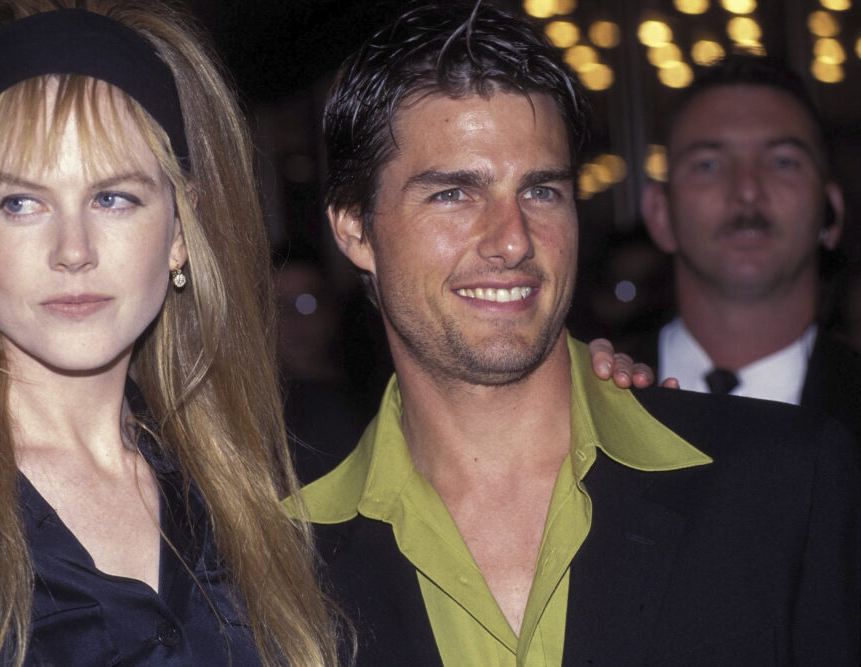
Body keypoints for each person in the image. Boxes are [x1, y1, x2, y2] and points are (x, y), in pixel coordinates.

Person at [300, 3, 861, 665]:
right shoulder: (277, 558)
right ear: (354, 230)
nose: (512, 240)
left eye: (540, 191)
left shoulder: (785, 480)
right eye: (453, 193)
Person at [0, 1, 341, 665]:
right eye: (21, 202)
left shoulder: (256, 493)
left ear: (180, 232)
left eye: (114, 198)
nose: (73, 249)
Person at [638, 55, 861, 443]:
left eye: (782, 162)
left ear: (832, 213)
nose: (747, 191)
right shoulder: (577, 403)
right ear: (660, 215)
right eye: (708, 164)